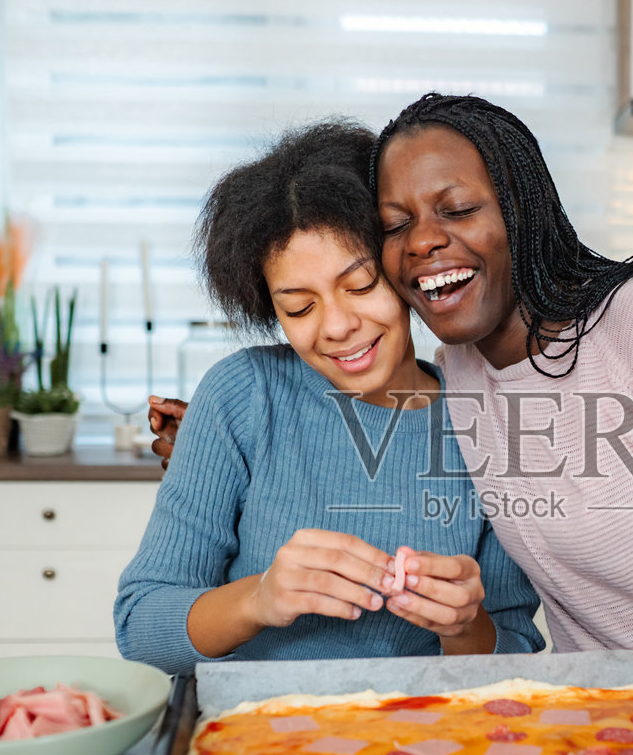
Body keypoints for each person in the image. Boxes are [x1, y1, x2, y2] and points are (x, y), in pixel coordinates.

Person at [152, 95, 633, 680]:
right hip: (622, 718)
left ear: (519, 207)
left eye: (456, 209)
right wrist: (227, 451)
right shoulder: (460, 371)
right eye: (398, 225)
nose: (426, 240)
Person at [116, 122, 543, 675]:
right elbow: (141, 624)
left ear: (404, 264)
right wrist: (258, 599)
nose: (337, 326)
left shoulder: (487, 423)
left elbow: (518, 656)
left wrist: (466, 626)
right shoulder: (243, 397)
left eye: (361, 285)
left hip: (424, 740)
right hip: (256, 736)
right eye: (299, 307)